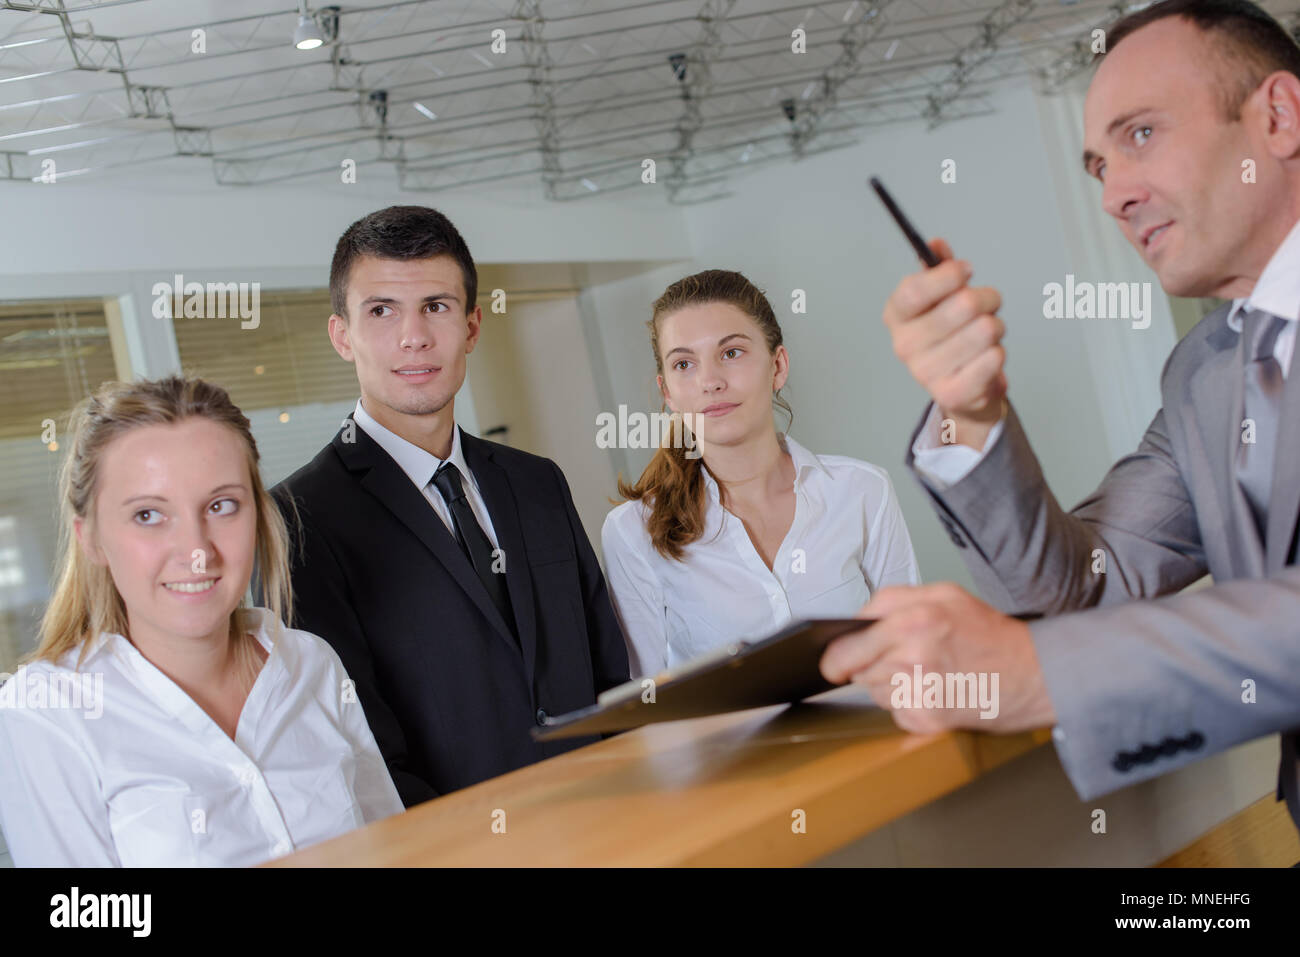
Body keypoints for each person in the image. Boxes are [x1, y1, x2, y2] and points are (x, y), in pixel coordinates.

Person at [820, 0, 1300, 832]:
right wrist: (971, 415)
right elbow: (1084, 586)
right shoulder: (1204, 372)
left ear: (1280, 117)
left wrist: (1038, 670)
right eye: (1096, 166)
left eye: (1141, 134)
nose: (1114, 194)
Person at [270, 205, 628, 808]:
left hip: (605, 819)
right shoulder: (298, 521)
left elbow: (608, 671)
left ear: (471, 326)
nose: (414, 336)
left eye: (436, 306)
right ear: (341, 336)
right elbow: (356, 748)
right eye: (381, 311)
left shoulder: (537, 482)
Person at [0, 376, 403, 867]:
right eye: (148, 515)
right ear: (92, 539)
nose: (196, 553)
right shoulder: (48, 714)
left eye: (221, 506)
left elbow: (394, 848)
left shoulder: (310, 663)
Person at [602, 269, 921, 677]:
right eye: (684, 363)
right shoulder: (633, 532)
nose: (710, 381)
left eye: (731, 353)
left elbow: (912, 656)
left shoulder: (863, 492)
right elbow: (647, 705)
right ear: (667, 393)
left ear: (778, 365)